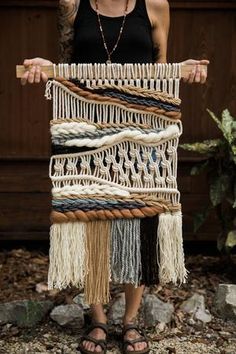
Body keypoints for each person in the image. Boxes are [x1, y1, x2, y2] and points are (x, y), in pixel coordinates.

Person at [21, 1, 209, 353]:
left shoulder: (154, 5)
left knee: (140, 216)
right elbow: (67, 64)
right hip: (86, 125)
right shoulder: (74, 6)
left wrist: (181, 69)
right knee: (92, 214)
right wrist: (48, 68)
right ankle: (98, 318)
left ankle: (131, 319)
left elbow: (160, 69)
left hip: (141, 126)